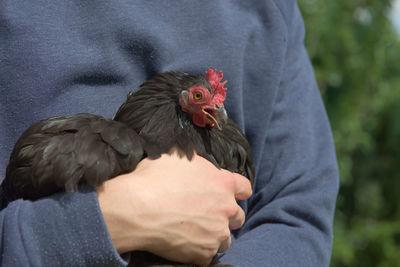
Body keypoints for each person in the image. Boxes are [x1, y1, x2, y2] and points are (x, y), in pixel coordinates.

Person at [0, 0, 339, 266]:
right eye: (200, 98)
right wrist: (106, 222)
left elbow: (296, 208)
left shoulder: (267, 8)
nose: (217, 110)